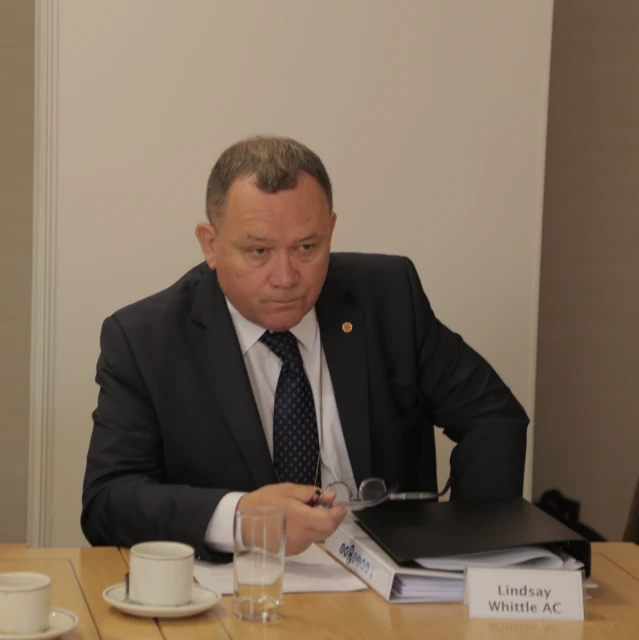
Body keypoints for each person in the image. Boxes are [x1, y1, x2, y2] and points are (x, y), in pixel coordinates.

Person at [81, 136, 529, 562]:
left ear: (331, 231)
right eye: (259, 251)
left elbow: (492, 418)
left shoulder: (388, 297)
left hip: (382, 588)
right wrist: (243, 519)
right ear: (211, 244)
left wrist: (470, 551)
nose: (286, 276)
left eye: (307, 247)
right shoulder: (145, 339)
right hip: (239, 591)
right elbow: (108, 500)